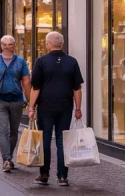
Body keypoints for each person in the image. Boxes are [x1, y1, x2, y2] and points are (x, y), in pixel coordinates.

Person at [28, 32, 84, 187]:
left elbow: (36, 87)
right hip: (66, 105)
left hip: (46, 105)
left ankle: (44, 174)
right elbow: (77, 88)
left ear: (48, 44)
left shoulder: (41, 61)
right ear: (62, 44)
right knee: (62, 140)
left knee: (45, 140)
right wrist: (78, 108)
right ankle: (62, 177)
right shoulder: (72, 62)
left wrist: (31, 107)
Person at [0, 36, 32, 173]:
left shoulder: (20, 62)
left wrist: (30, 102)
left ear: (14, 45)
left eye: (11, 44)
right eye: (5, 45)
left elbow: (26, 82)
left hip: (17, 100)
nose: (8, 47)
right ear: (1, 46)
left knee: (14, 131)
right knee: (3, 130)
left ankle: (8, 157)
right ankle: (6, 159)